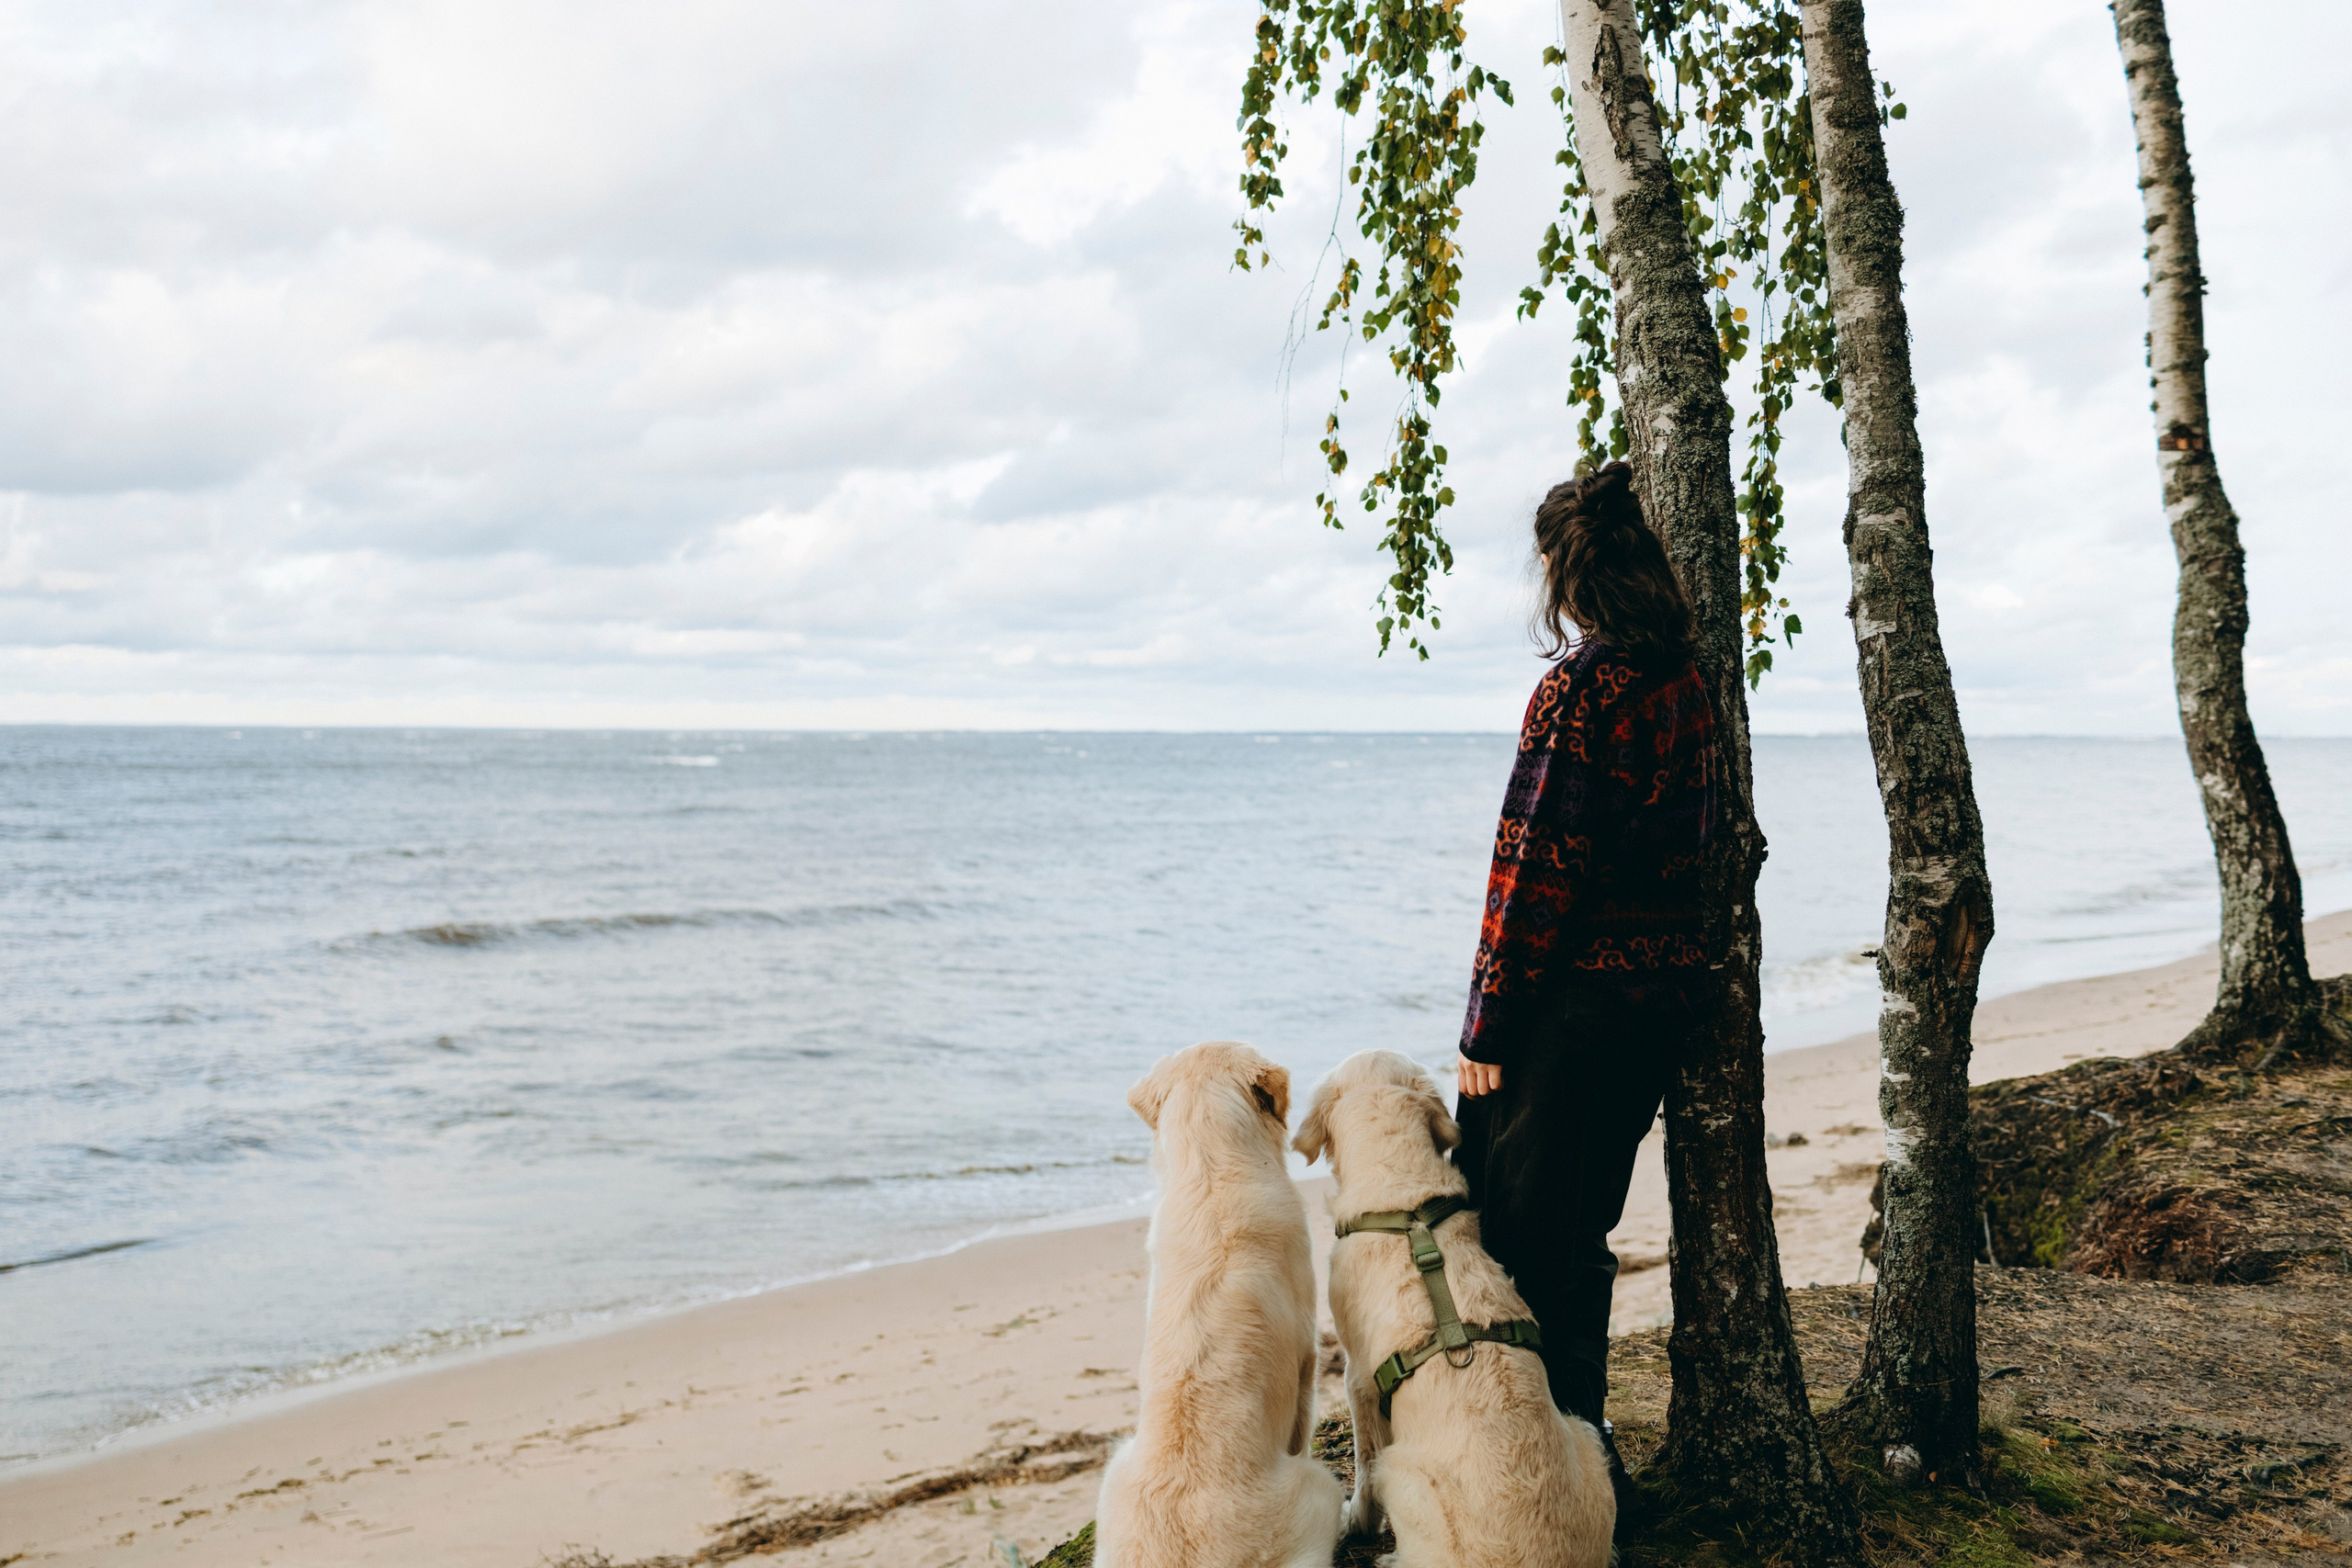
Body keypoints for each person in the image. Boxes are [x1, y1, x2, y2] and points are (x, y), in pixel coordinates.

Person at [1451, 460, 1716, 1497]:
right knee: (1579, 1242)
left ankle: (1541, 1480)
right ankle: (1576, 1454)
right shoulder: (1683, 681)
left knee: (1519, 1248)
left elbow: (1534, 870)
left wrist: (1485, 1029)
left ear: (1565, 572)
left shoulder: (1580, 691)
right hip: (1652, 1013)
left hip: (1568, 1016)